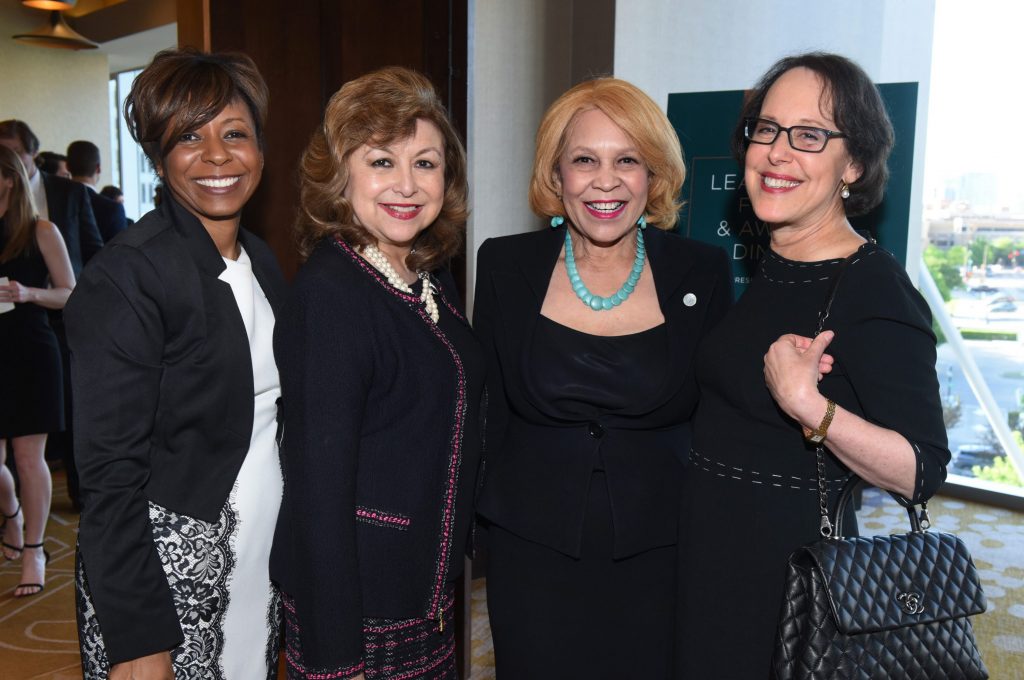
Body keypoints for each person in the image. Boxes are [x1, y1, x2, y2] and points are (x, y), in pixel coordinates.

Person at [675, 52, 951, 677]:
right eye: (766, 130)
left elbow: (921, 470)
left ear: (854, 163)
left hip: (786, 584)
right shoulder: (770, 268)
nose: (777, 152)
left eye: (809, 136)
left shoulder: (872, 287)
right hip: (709, 560)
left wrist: (810, 407)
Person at [473, 77, 732, 678]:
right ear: (556, 173)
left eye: (628, 160)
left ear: (654, 175)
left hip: (661, 549)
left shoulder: (703, 270)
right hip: (531, 551)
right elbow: (487, 412)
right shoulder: (506, 265)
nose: (605, 180)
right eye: (584, 159)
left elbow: (718, 418)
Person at [66, 48, 286, 679]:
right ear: (159, 159)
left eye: (234, 133)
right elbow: (108, 478)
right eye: (189, 136)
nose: (217, 156)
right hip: (166, 580)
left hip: (257, 560)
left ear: (261, 149)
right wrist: (139, 639)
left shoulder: (263, 262)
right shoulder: (127, 277)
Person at [271, 66, 482, 680]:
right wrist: (338, 662)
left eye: (426, 163)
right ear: (340, 175)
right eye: (382, 162)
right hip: (360, 614)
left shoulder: (420, 276)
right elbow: (318, 491)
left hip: (422, 595)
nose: (408, 184)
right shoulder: (333, 293)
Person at [0, 145, 75, 597]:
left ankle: (34, 549)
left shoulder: (39, 230)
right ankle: (11, 512)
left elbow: (70, 292)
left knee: (29, 457)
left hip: (29, 348)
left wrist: (28, 293)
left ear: (8, 179)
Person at [0, 121, 102, 277]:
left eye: (16, 153)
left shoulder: (69, 191)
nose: (10, 161)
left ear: (34, 152)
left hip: (68, 293)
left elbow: (93, 250)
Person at [67, 140, 128, 242]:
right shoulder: (113, 209)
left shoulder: (55, 202)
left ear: (67, 167)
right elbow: (122, 254)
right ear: (98, 168)